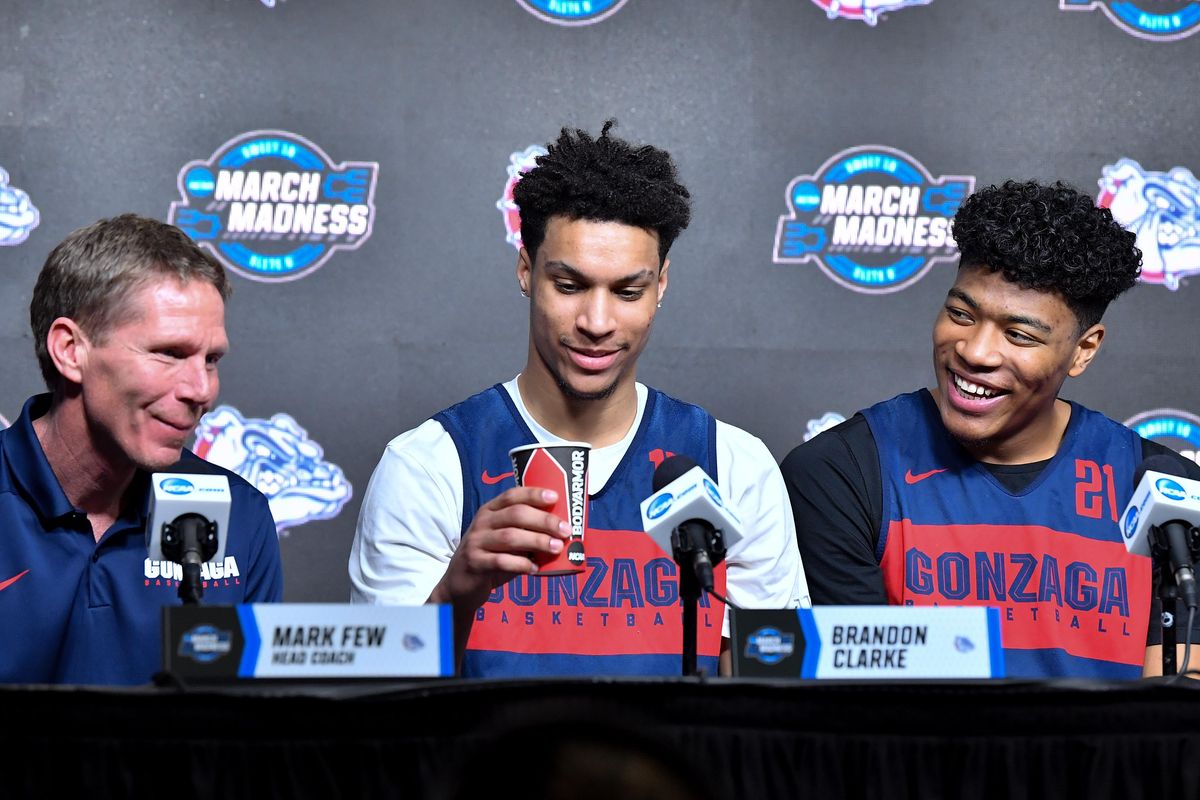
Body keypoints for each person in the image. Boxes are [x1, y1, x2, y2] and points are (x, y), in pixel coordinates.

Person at [350, 121, 807, 677]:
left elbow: (771, 699)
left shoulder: (735, 466)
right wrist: (457, 591)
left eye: (627, 291)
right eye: (568, 286)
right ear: (526, 270)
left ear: (661, 285)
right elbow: (380, 708)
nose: (596, 322)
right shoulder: (430, 465)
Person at [781, 180, 1200, 679]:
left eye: (1019, 335)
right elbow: (864, 695)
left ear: (1083, 350)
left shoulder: (1165, 494)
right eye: (961, 314)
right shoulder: (842, 471)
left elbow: (1171, 714)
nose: (975, 352)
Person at [0, 214, 283, 685]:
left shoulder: (241, 514)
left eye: (210, 359)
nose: (201, 390)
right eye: (169, 353)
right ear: (71, 350)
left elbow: (246, 738)